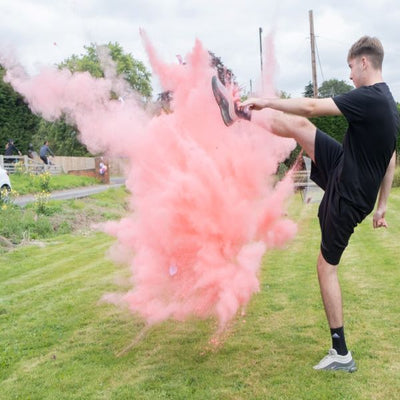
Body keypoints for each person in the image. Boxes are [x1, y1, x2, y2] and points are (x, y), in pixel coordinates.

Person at [212, 36, 399, 372]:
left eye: (351, 69)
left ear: (364, 63)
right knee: (300, 127)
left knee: (326, 266)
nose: (350, 77)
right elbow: (390, 159)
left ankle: (341, 352)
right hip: (346, 168)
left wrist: (267, 100)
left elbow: (313, 106)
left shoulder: (370, 98)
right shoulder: (387, 104)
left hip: (349, 194)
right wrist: (382, 206)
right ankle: (236, 113)